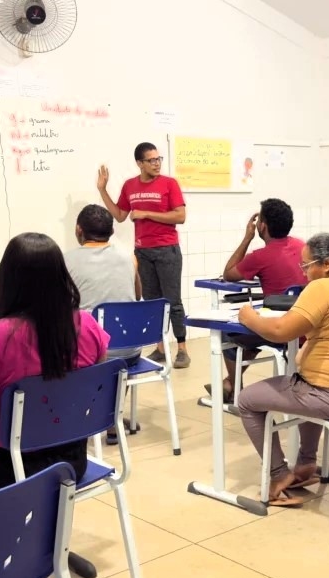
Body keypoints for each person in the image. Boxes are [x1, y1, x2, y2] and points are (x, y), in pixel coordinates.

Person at [235, 233, 329, 506]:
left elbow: (280, 331)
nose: (303, 273)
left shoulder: (322, 287)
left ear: (326, 264)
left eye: (306, 266)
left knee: (246, 400)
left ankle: (278, 474)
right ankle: (305, 464)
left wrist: (249, 317)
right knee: (301, 381)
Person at [0, 232, 110, 494]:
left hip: (6, 468)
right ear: (61, 276)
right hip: (72, 461)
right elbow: (98, 390)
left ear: (8, 280)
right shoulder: (88, 325)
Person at [96, 142, 190, 368]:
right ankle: (159, 347)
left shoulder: (169, 184)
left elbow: (180, 216)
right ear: (140, 163)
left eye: (159, 159)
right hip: (143, 251)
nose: (157, 164)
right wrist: (102, 190)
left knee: (173, 300)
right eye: (151, 160)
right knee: (151, 301)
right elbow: (119, 215)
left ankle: (182, 349)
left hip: (167, 250)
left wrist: (146, 213)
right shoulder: (130, 186)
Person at [209, 198, 306, 399]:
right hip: (305, 326)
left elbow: (228, 273)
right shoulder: (302, 246)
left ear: (262, 225)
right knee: (252, 333)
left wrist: (247, 238)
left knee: (228, 332)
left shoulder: (260, 256)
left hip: (280, 329)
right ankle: (229, 383)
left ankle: (233, 386)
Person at [66, 203, 142, 362]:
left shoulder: (65, 261)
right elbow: (137, 296)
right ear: (112, 231)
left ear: (78, 230)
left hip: (92, 355)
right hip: (130, 351)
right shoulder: (129, 258)